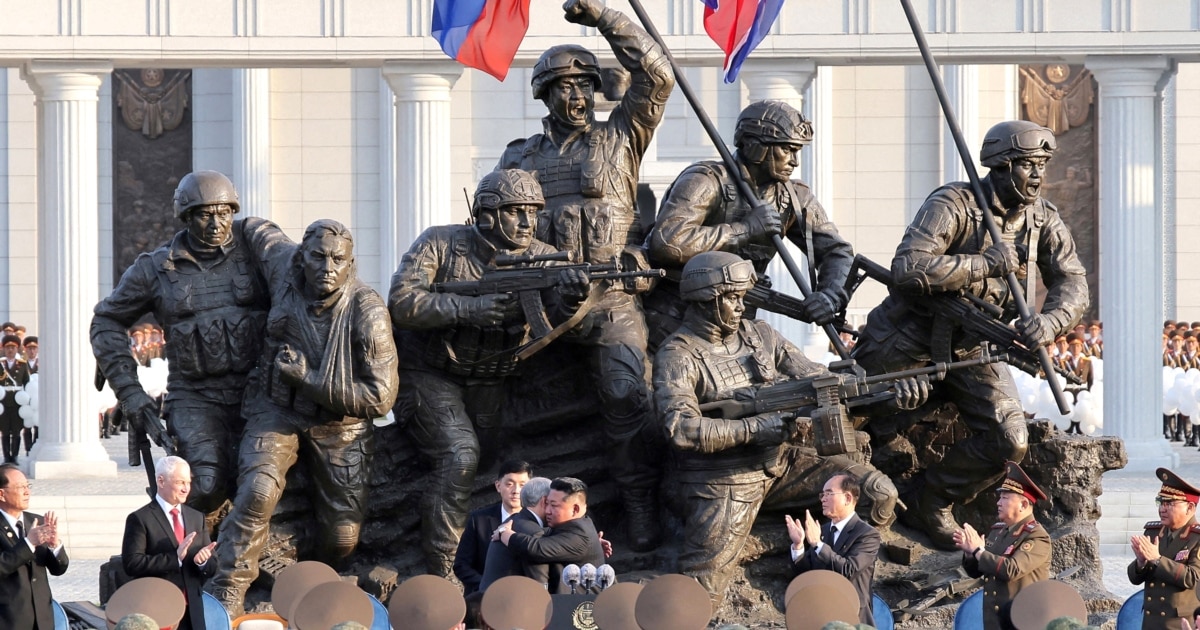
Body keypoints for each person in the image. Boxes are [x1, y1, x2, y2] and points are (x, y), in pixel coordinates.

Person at [852, 120, 1089, 549]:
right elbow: (908, 267)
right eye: (1028, 165)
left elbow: (1072, 281)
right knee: (849, 415)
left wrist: (1051, 322)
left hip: (976, 345)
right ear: (1002, 166)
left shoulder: (1042, 219)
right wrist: (983, 264)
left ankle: (932, 499)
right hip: (906, 337)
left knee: (1010, 440)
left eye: (1042, 166)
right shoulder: (953, 204)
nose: (1038, 175)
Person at [496, 0, 675, 552]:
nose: (577, 97)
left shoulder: (620, 137)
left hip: (610, 296)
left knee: (627, 394)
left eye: (585, 86)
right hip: (541, 298)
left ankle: (639, 501)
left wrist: (603, 17)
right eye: (565, 88)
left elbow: (658, 74)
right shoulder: (518, 158)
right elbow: (493, 225)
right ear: (545, 95)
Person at [653, 251, 923, 604]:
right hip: (724, 479)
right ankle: (767, 546)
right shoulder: (678, 355)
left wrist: (888, 393)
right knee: (701, 592)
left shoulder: (760, 334)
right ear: (706, 300)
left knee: (878, 494)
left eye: (742, 297)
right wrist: (754, 429)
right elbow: (680, 427)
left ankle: (812, 558)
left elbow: (819, 378)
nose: (741, 306)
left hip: (784, 463)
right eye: (732, 298)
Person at [390, 169, 587, 577]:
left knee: (492, 465)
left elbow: (553, 321)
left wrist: (570, 300)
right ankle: (444, 568)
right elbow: (403, 300)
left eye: (533, 212)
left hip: (493, 380)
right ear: (487, 214)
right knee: (460, 455)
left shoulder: (543, 255)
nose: (527, 222)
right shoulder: (441, 243)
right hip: (431, 374)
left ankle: (494, 551)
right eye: (516, 212)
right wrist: (468, 309)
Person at [210, 219, 399, 616]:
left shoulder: (368, 312)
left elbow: (380, 398)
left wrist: (308, 379)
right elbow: (254, 229)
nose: (327, 267)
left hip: (340, 426)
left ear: (351, 264)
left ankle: (308, 580)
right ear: (301, 258)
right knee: (258, 490)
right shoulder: (284, 266)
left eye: (338, 259)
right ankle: (229, 587)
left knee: (343, 538)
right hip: (277, 411)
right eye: (318, 256)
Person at [91, 170, 292, 515]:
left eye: (224, 212)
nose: (216, 223)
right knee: (204, 486)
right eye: (204, 215)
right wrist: (131, 393)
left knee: (264, 484)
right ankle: (187, 542)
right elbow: (106, 320)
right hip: (196, 396)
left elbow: (298, 272)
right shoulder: (156, 268)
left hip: (257, 391)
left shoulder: (254, 248)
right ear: (185, 217)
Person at [646, 99, 853, 348]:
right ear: (755, 146)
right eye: (786, 149)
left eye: (796, 151)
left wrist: (830, 295)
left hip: (738, 324)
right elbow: (668, 242)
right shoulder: (706, 180)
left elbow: (837, 251)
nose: (794, 161)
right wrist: (744, 230)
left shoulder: (794, 197)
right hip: (675, 320)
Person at [952, 460, 1051, 630]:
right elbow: (978, 571)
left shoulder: (1037, 536)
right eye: (1000, 497)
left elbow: (1011, 569)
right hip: (994, 621)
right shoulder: (998, 531)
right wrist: (970, 553)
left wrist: (978, 550)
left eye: (1005, 498)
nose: (998, 503)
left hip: (1022, 622)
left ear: (1023, 505)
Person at [121, 456, 216, 630]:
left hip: (192, 614)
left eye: (188, 482)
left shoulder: (196, 517)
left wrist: (203, 562)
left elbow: (212, 566)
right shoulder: (140, 519)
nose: (186, 488)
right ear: (161, 481)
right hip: (158, 611)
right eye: (180, 482)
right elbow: (132, 563)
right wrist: (175, 558)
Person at [787, 473, 882, 625]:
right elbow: (807, 574)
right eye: (822, 495)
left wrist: (818, 544)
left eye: (829, 493)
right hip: (821, 616)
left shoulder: (867, 534)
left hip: (853, 617)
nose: (823, 499)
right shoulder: (822, 531)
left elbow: (849, 570)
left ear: (848, 498)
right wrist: (798, 547)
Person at [497, 477, 605, 593]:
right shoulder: (573, 526)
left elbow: (536, 549)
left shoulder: (579, 535)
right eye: (547, 503)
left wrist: (505, 533)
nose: (547, 510)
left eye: (554, 505)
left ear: (575, 509)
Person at [1128, 468, 1200, 630]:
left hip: (1179, 623)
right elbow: (1134, 578)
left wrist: (1158, 560)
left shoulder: (1197, 538)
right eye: (1160, 502)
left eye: (1170, 504)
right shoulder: (1154, 532)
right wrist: (1140, 563)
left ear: (1190, 508)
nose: (1162, 509)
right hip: (1150, 622)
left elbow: (1194, 578)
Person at [0, 463, 69, 630]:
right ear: (1, 494)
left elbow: (58, 569)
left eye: (27, 486)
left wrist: (54, 547)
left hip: (42, 620)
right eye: (20, 487)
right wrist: (29, 543)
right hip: (9, 621)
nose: (27, 492)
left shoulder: (36, 521)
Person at [452, 460, 532, 595]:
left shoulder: (537, 522)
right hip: (483, 597)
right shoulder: (478, 519)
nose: (516, 491)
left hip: (524, 596)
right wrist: (486, 585)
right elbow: (461, 565)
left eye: (522, 485)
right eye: (509, 484)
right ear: (498, 486)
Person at [479, 476, 552, 592]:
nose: (553, 510)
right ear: (544, 501)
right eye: (552, 503)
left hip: (490, 598)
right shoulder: (533, 532)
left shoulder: (512, 522)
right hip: (509, 600)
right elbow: (540, 586)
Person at [0, 336, 30, 464]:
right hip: (3, 401)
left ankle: (15, 456)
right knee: (5, 430)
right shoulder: (1, 364)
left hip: (18, 401)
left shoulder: (22, 364)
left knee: (16, 431)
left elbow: (26, 382)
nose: (10, 350)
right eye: (8, 347)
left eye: (13, 347)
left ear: (17, 348)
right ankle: (7, 456)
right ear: (4, 349)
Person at [20, 337, 37, 456]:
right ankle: (28, 449)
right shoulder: (22, 364)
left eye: (34, 348)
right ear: (25, 349)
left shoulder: (42, 363)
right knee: (27, 426)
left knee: (38, 425)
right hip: (26, 398)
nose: (32, 351)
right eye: (29, 348)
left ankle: (35, 447)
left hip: (38, 399)